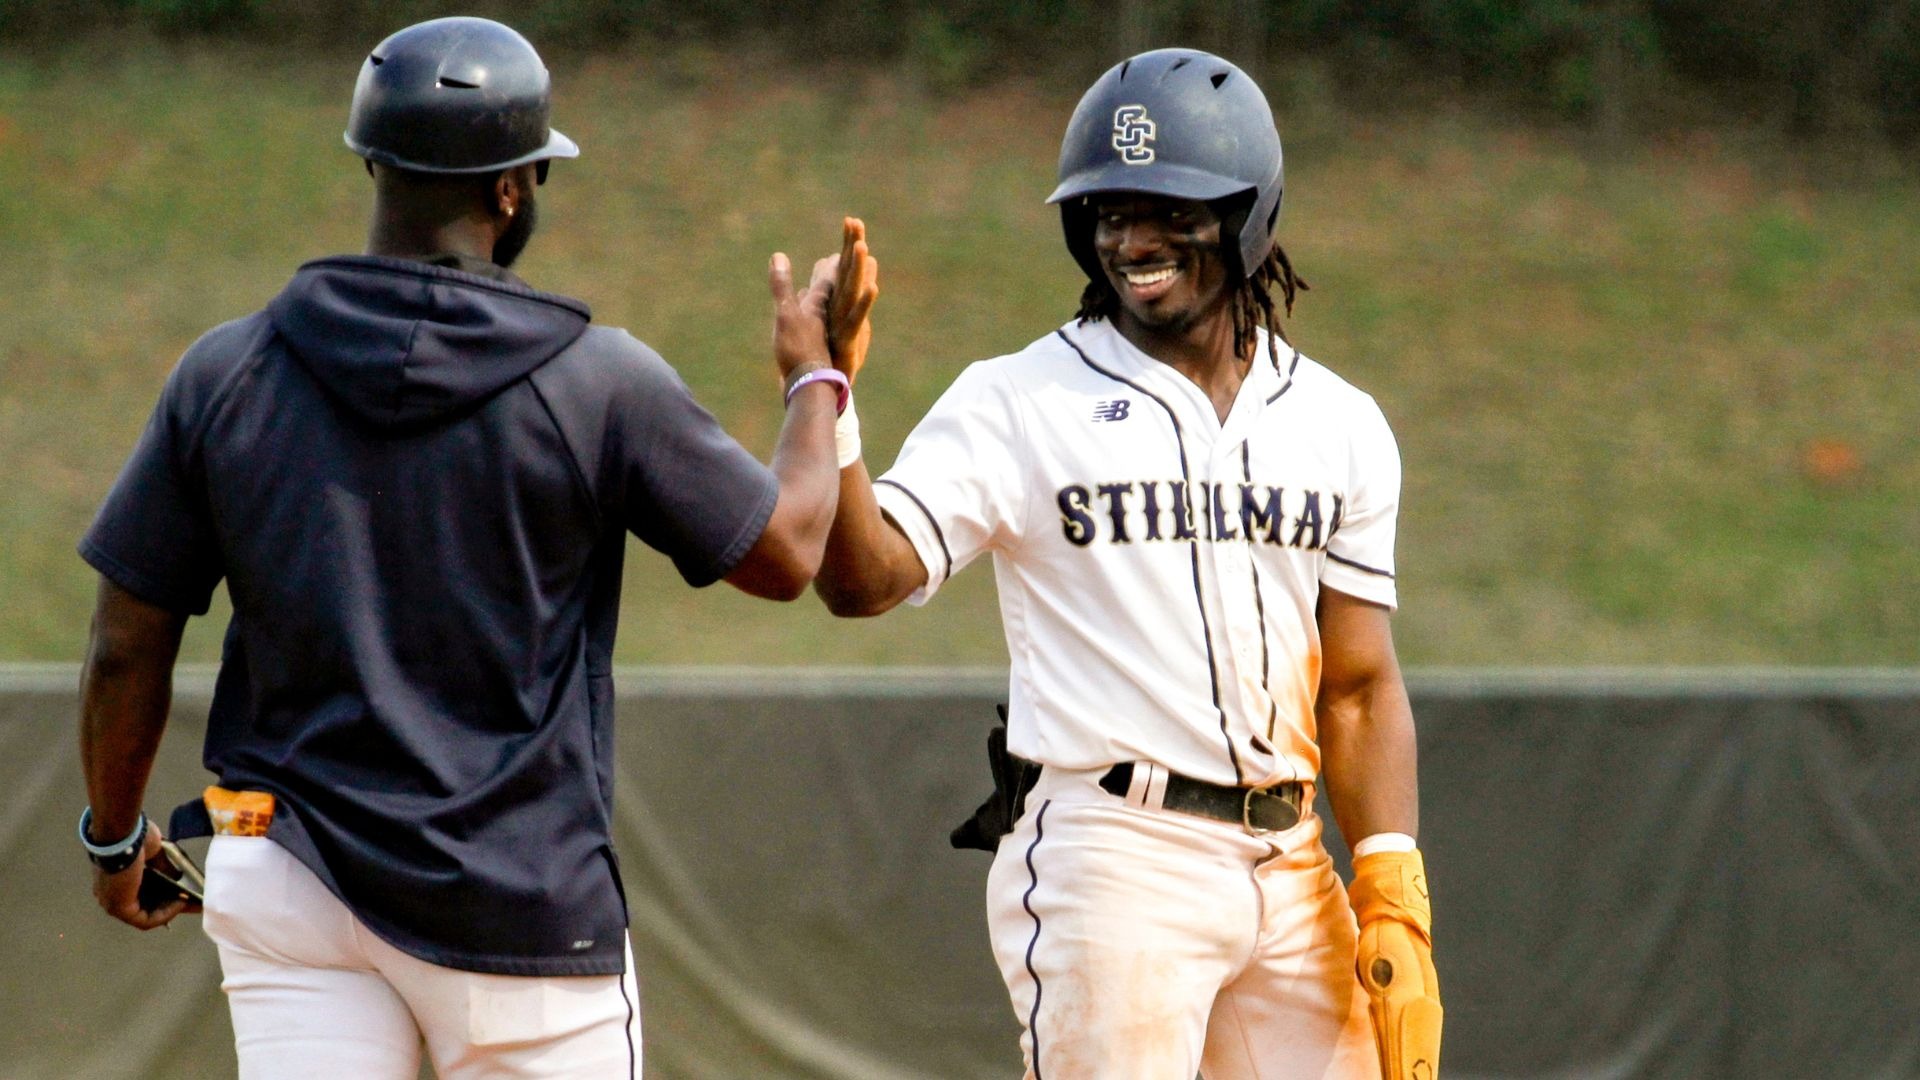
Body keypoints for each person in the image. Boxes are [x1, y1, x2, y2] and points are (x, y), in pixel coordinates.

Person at [73, 16, 874, 1079]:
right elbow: (788, 553)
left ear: (374, 161)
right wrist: (817, 378)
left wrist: (117, 839)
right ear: (510, 190)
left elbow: (129, 639)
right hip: (516, 907)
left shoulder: (227, 373)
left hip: (290, 878)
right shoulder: (599, 381)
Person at [813, 49, 1441, 1079]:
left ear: (1247, 214)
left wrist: (1389, 888)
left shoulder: (1341, 424)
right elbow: (865, 578)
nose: (1134, 239)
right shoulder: (1019, 400)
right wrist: (831, 395)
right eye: (1108, 211)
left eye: (1170, 209)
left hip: (1291, 864)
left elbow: (1361, 686)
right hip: (1116, 850)